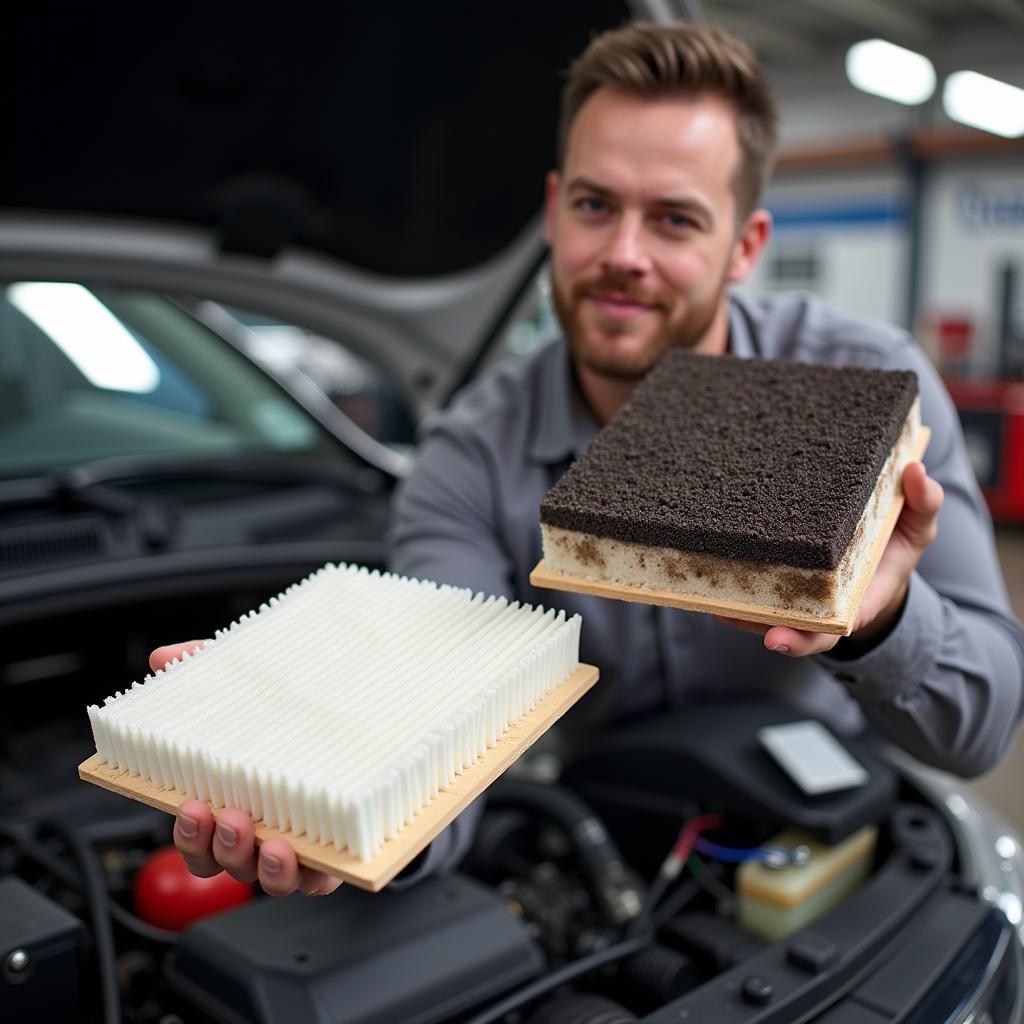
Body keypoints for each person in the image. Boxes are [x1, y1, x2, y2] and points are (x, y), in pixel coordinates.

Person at [161, 20, 1024, 897]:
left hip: (836, 834)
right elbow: (446, 742)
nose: (622, 255)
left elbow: (981, 728)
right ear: (553, 208)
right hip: (605, 845)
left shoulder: (871, 389)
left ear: (747, 246)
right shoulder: (470, 460)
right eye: (595, 205)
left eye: (675, 220)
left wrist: (882, 621)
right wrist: (345, 811)